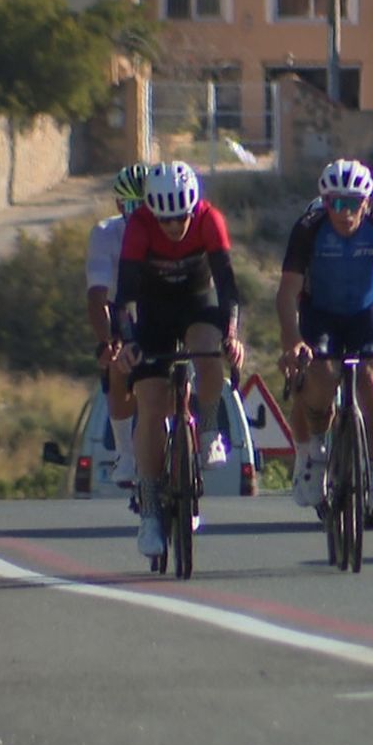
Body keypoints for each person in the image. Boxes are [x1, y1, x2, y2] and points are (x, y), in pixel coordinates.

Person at [112, 161, 244, 558]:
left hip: (196, 303)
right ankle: (151, 512)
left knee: (208, 348)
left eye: (181, 218)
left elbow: (228, 287)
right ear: (152, 211)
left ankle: (206, 429)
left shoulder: (209, 220)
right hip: (152, 312)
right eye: (166, 220)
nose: (174, 227)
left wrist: (232, 335)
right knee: (151, 405)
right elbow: (124, 297)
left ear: (194, 207)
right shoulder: (139, 227)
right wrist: (128, 340)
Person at [277, 158, 373, 521]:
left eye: (352, 204)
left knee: (372, 382)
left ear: (366, 204)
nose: (344, 212)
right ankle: (317, 454)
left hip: (368, 313)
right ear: (324, 203)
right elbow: (287, 292)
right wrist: (292, 340)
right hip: (321, 313)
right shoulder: (308, 228)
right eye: (335, 203)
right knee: (320, 380)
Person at [86, 164, 148, 488]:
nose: (139, 213)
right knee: (118, 365)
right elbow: (97, 296)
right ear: (119, 205)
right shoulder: (105, 233)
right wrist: (107, 339)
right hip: (122, 310)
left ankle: (185, 439)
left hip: (160, 307)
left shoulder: (165, 228)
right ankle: (125, 451)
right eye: (132, 205)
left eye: (145, 204)